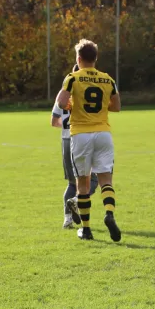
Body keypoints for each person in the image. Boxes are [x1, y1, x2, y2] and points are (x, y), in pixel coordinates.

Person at [55, 39, 121, 241]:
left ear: (78, 59)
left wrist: (73, 107)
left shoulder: (72, 78)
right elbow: (116, 106)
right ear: (96, 58)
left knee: (82, 184)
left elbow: (61, 102)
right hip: (103, 134)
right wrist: (101, 108)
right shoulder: (108, 79)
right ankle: (109, 214)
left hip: (81, 134)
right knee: (106, 181)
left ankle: (86, 229)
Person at [51, 64, 98, 229]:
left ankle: (67, 219)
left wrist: (67, 127)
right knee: (93, 179)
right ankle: (77, 201)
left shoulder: (62, 94)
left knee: (72, 183)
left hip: (66, 140)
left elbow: (53, 121)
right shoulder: (86, 92)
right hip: (83, 138)